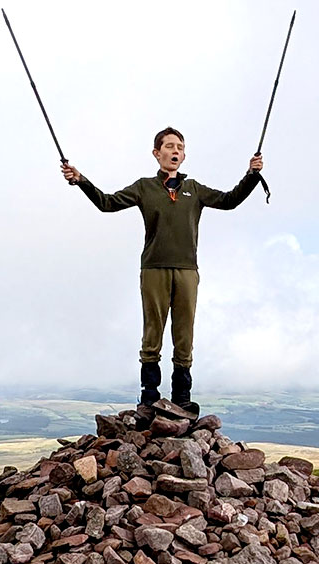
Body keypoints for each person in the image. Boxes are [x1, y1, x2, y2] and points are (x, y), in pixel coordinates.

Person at [62, 128, 263, 413]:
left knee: (184, 333)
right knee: (152, 332)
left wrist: (252, 175)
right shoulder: (144, 187)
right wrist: (80, 180)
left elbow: (229, 200)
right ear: (157, 153)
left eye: (180, 147)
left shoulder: (195, 190)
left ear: (183, 154)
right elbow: (106, 203)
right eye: (169, 146)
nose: (175, 151)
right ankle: (150, 396)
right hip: (153, 268)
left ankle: (182, 396)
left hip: (187, 271)